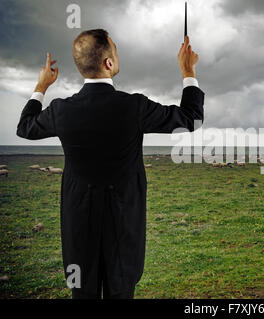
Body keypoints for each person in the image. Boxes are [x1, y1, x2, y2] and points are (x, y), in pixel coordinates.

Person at [16, 29, 204, 299]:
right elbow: (191, 118)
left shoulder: (61, 110)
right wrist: (188, 70)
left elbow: (25, 127)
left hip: (78, 224)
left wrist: (41, 87)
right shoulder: (134, 107)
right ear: (109, 63)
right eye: (115, 50)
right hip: (124, 224)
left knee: (82, 292)